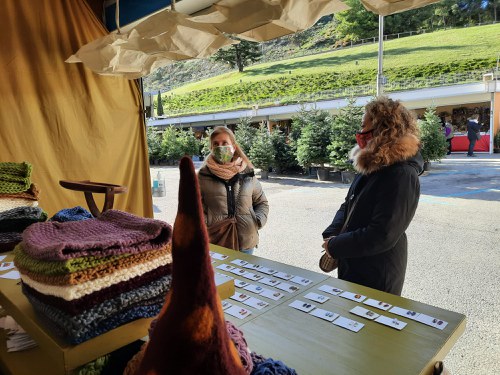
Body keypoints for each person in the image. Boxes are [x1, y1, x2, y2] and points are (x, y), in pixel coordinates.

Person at [321, 96, 423, 296]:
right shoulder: (371, 164)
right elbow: (348, 205)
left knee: (371, 324)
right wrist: (331, 233)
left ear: (383, 129)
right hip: (352, 260)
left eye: (364, 125)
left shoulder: (401, 174)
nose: (360, 132)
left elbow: (382, 234)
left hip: (377, 273)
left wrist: (336, 245)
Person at [198, 126, 269, 255]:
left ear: (234, 147)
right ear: (211, 149)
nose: (220, 147)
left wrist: (257, 221)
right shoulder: (202, 176)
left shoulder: (247, 173)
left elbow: (261, 202)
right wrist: (206, 223)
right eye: (216, 144)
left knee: (244, 275)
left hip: (246, 242)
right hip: (216, 242)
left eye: (225, 143)